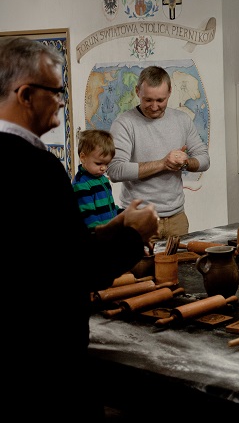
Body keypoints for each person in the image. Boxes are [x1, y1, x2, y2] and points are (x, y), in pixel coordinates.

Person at [0, 37, 158, 420]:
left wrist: (114, 225)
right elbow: (75, 270)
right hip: (44, 366)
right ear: (25, 95)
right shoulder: (36, 169)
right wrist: (133, 235)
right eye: (56, 92)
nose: (62, 101)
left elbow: (50, 249)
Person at [108, 65, 210, 244]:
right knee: (140, 271)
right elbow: (115, 170)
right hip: (139, 219)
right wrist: (163, 163)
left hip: (177, 219)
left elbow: (204, 160)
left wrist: (185, 162)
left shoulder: (182, 120)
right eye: (148, 100)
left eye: (160, 100)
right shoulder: (124, 123)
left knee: (181, 271)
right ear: (137, 91)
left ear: (170, 92)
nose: (154, 107)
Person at [73, 129, 119, 229]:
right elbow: (88, 216)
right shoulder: (81, 184)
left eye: (106, 164)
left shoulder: (103, 180)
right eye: (98, 163)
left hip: (110, 232)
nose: (103, 168)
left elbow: (109, 208)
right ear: (83, 157)